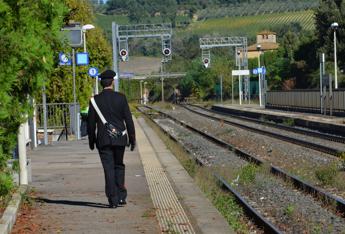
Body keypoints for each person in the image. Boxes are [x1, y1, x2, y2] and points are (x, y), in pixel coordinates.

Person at [87, 70, 136, 208]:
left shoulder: (94, 101)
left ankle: (113, 199)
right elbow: (129, 120)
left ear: (101, 83)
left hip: (103, 140)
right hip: (120, 138)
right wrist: (132, 138)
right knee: (119, 165)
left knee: (108, 168)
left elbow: (91, 124)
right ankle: (121, 196)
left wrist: (92, 141)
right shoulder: (121, 98)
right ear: (112, 82)